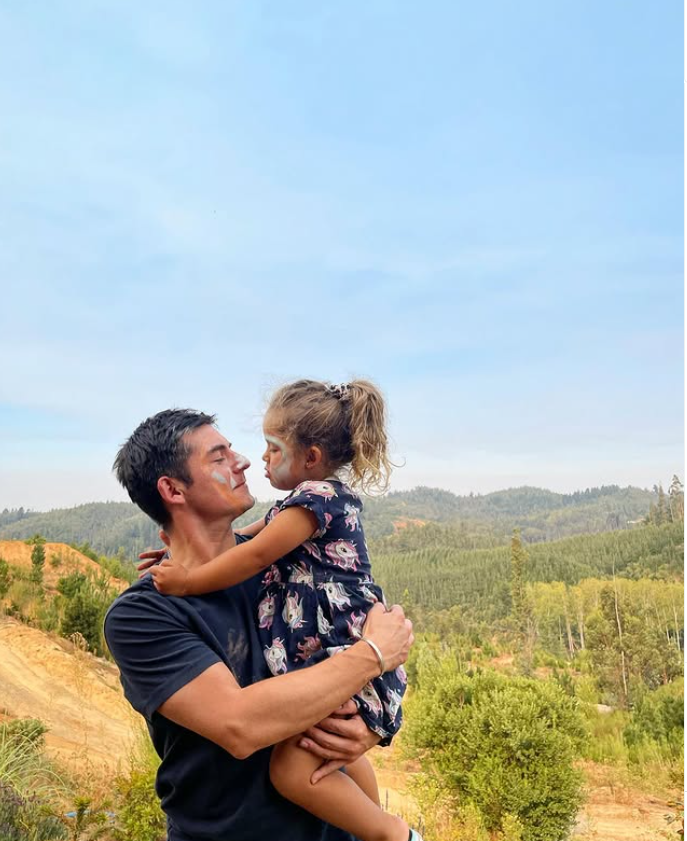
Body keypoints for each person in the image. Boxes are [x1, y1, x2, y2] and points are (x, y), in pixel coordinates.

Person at [104, 407, 414, 841]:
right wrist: (372, 656)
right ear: (172, 489)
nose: (243, 460)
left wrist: (365, 728)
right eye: (218, 456)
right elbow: (240, 725)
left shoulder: (284, 568)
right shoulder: (143, 615)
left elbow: (362, 628)